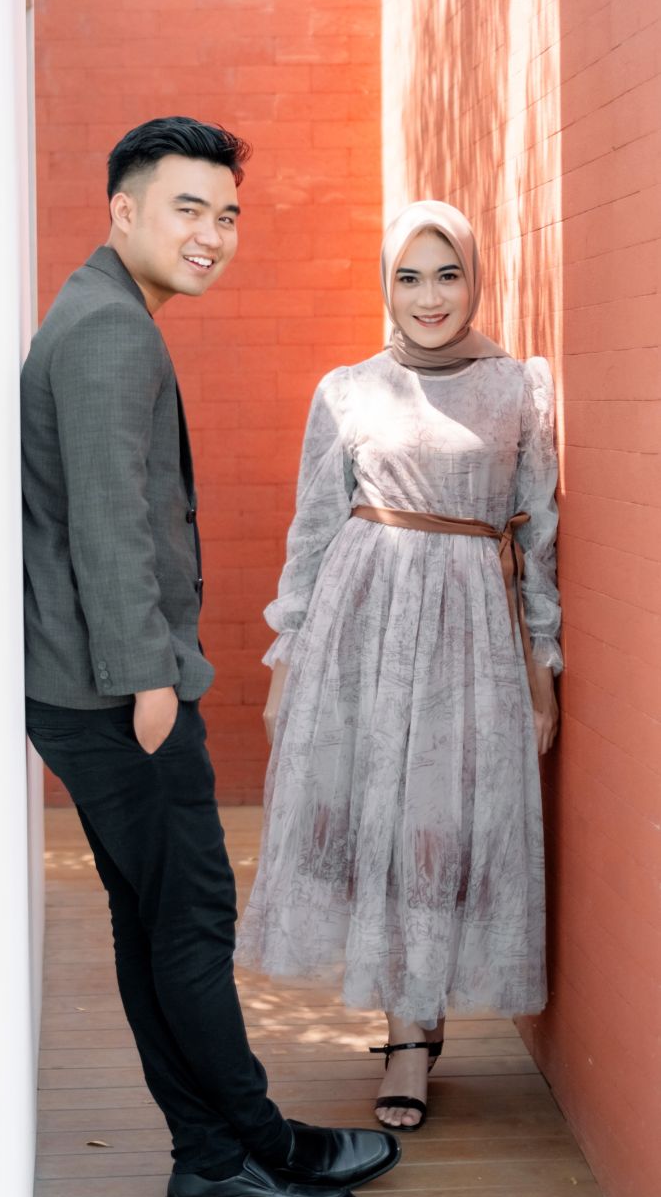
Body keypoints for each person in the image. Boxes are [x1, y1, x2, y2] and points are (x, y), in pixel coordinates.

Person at [21, 117, 400, 1197]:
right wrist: (150, 682)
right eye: (187, 208)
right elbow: (107, 526)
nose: (212, 234)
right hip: (116, 692)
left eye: (226, 215)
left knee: (152, 926)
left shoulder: (98, 310)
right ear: (123, 210)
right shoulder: (108, 331)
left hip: (91, 684)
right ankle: (253, 1145)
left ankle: (214, 1155)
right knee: (186, 923)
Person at [238, 199, 562, 1132]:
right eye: (408, 277)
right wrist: (286, 663)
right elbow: (310, 534)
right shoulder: (347, 390)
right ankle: (406, 1037)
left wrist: (540, 665)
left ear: (473, 278)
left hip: (470, 636)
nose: (428, 297)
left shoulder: (516, 389)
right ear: (385, 285)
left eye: (446, 274)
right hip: (361, 629)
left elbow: (535, 537)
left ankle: (422, 1009)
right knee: (374, 816)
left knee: (436, 826)